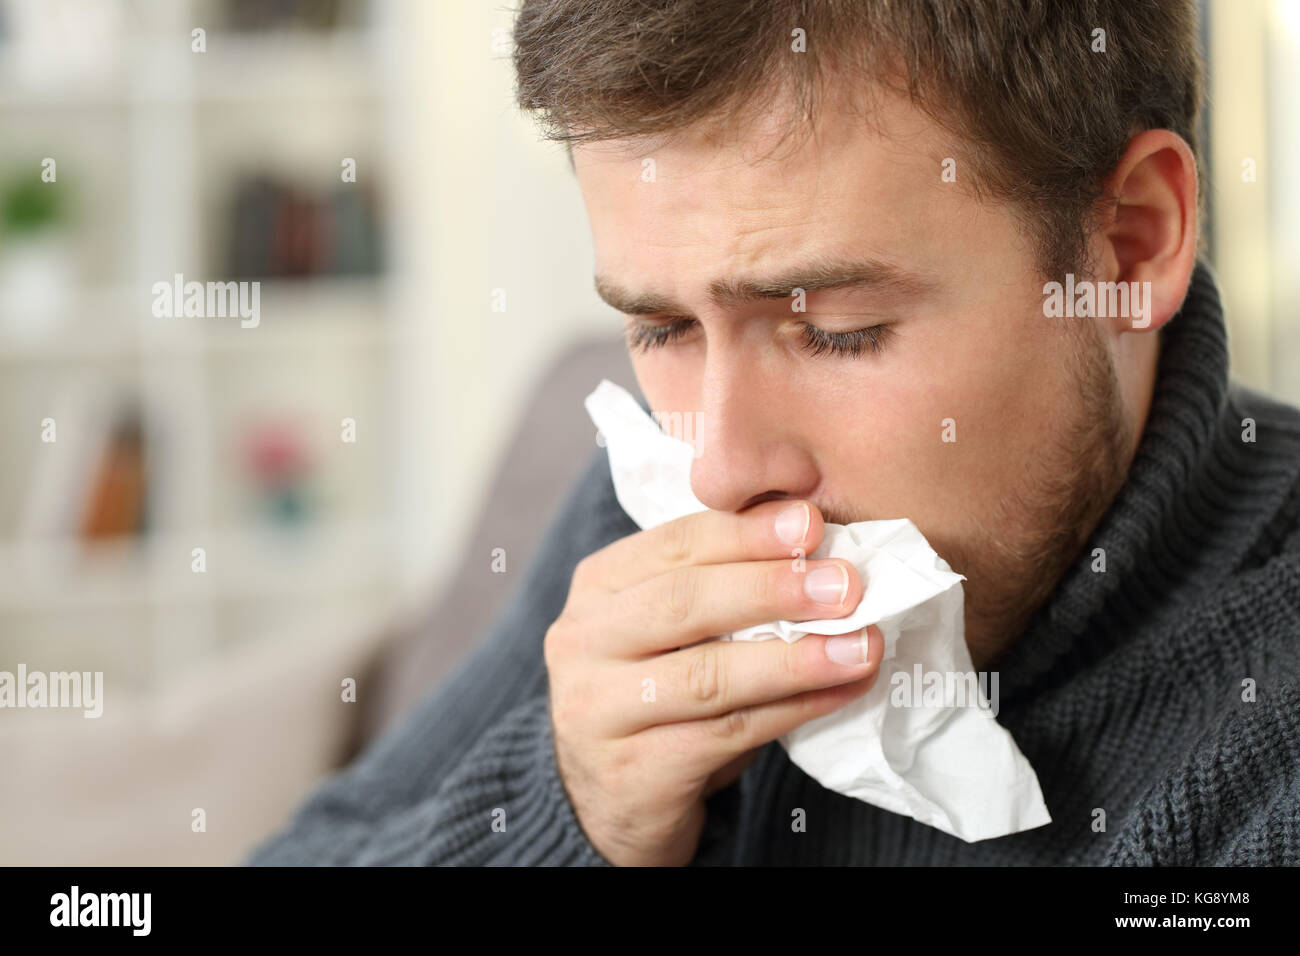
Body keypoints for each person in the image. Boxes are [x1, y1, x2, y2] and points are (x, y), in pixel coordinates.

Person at [247, 0, 1300, 866]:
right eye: (660, 326)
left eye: (834, 331)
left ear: (1126, 246)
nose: (719, 467)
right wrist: (565, 809)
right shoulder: (643, 513)